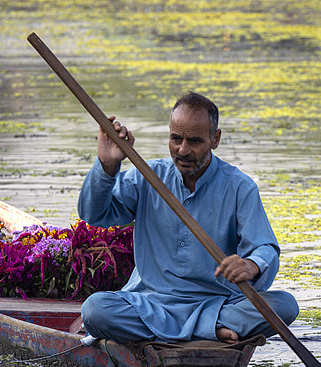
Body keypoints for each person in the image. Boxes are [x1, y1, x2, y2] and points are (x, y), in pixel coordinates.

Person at [78, 91, 299, 344]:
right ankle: (209, 332)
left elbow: (264, 247)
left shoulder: (239, 187)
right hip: (151, 303)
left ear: (215, 139)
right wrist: (107, 166)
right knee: (96, 310)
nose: (183, 150)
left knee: (285, 306)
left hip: (216, 305)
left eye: (194, 141)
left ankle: (185, 329)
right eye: (176, 139)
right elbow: (94, 214)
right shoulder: (147, 176)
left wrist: (250, 265)